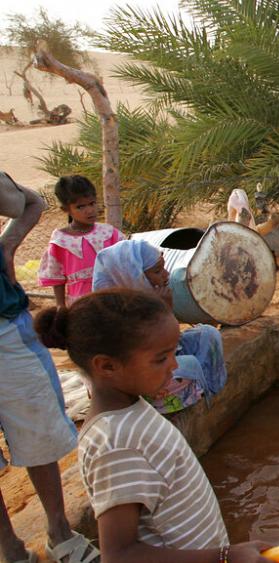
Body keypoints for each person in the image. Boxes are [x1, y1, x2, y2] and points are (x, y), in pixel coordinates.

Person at [34, 289, 270, 562]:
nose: (174, 364)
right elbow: (120, 554)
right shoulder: (116, 444)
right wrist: (224, 557)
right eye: (161, 358)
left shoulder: (131, 409)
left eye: (173, 352)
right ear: (107, 366)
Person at [0, 171, 100, 563]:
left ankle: (60, 531)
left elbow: (29, 202)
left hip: (6, 330)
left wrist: (7, 246)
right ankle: (9, 547)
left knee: (39, 427)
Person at [92, 240, 227, 415]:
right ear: (132, 275)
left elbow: (172, 344)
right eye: (157, 271)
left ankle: (203, 388)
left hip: (161, 359)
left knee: (208, 334)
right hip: (137, 378)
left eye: (163, 268)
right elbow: (152, 351)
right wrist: (165, 311)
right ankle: (175, 398)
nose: (166, 274)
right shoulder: (110, 313)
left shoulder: (146, 298)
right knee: (189, 366)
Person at [38, 175, 124, 309]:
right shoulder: (60, 241)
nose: (89, 210)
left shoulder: (108, 233)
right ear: (66, 210)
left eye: (92, 203)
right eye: (80, 207)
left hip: (113, 300)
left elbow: (126, 260)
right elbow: (57, 277)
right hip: (80, 305)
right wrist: (61, 305)